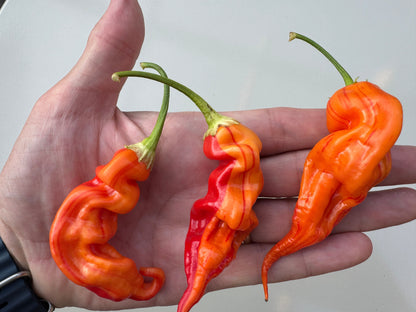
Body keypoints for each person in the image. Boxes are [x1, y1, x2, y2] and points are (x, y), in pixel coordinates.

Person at [0, 0, 415, 310]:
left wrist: (12, 257)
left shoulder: (357, 124)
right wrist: (12, 248)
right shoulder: (120, 180)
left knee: (325, 201)